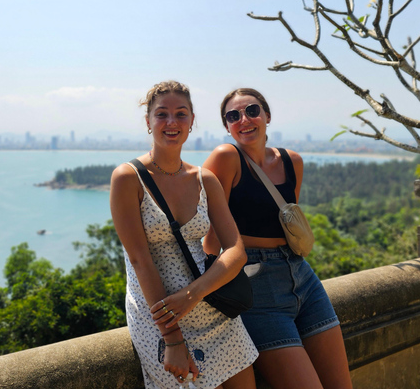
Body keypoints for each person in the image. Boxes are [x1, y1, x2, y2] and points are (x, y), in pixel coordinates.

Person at [110, 81, 258, 389]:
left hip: (212, 307)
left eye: (181, 114)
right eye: (162, 114)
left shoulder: (205, 179)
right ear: (148, 122)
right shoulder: (129, 178)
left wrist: (195, 293)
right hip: (162, 318)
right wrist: (172, 338)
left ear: (192, 121)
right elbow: (140, 260)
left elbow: (236, 250)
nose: (171, 122)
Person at [202, 88, 352, 389]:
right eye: (233, 116)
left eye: (252, 110)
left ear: (267, 116)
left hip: (302, 276)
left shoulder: (291, 161)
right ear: (227, 126)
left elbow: (288, 224)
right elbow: (208, 235)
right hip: (257, 284)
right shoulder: (226, 157)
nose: (244, 119)